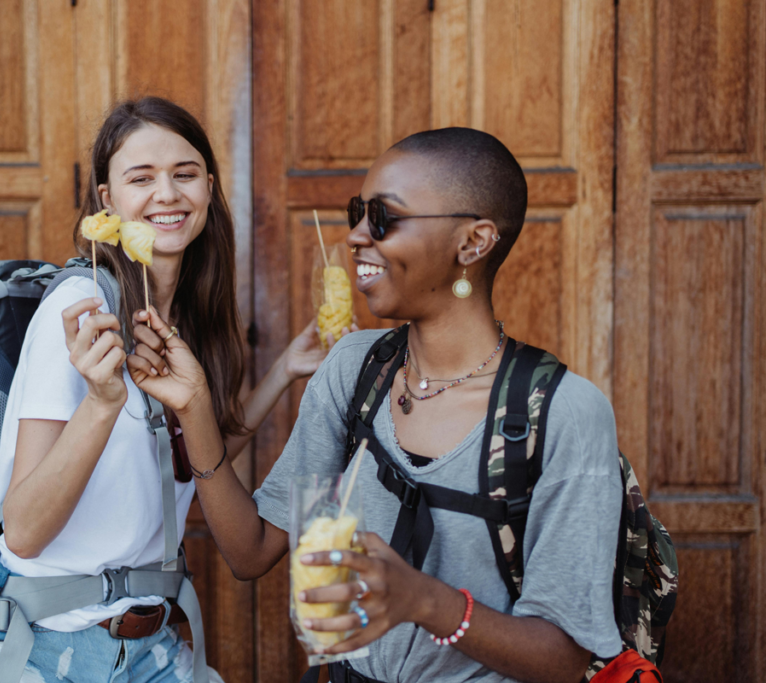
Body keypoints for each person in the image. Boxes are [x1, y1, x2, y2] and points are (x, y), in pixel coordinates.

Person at [129, 127, 624, 683]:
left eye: (384, 217)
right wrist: (194, 406)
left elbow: (564, 658)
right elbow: (251, 553)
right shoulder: (355, 369)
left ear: (473, 242)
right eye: (357, 213)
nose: (358, 237)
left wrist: (423, 601)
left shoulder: (562, 413)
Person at [0, 97, 353, 683]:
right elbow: (25, 530)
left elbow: (188, 460)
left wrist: (284, 372)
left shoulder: (187, 319)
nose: (167, 194)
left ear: (210, 189)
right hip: (48, 649)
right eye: (141, 178)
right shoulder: (82, 307)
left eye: (184, 175)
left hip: (151, 648)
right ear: (107, 201)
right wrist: (102, 402)